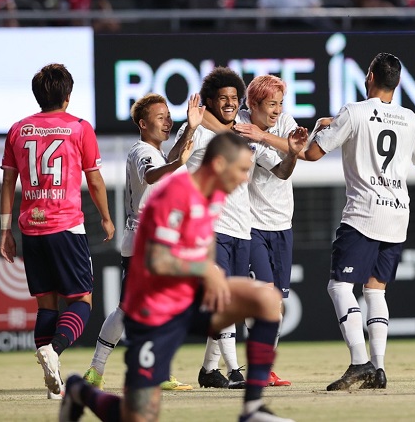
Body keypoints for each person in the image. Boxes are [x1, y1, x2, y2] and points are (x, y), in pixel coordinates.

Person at [60, 132, 296, 422]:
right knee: (137, 416)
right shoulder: (174, 194)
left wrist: (209, 272)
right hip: (152, 313)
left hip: (189, 301)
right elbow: (155, 260)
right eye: (243, 170)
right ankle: (78, 391)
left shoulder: (215, 195)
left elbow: (203, 240)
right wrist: (204, 270)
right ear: (220, 163)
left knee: (266, 300)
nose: (246, 179)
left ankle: (253, 410)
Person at [304, 52, 415, 390]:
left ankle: (359, 363)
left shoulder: (354, 112)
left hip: (364, 213)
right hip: (398, 214)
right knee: (375, 291)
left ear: (371, 77)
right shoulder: (410, 118)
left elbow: (311, 154)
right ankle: (378, 369)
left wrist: (328, 127)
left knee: (339, 286)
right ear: (398, 82)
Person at [169, 67, 307, 389]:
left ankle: (209, 369)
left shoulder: (241, 136)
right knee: (227, 299)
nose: (230, 103)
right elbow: (176, 159)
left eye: (233, 97)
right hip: (214, 228)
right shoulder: (208, 129)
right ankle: (235, 372)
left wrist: (293, 151)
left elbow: (281, 168)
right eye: (223, 98)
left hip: (243, 230)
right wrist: (190, 127)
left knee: (232, 302)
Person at [0, 63, 115, 399]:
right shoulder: (79, 128)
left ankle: (54, 385)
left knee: (46, 306)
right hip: (66, 226)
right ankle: (54, 351)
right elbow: (93, 179)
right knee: (82, 301)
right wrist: (106, 217)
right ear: (67, 95)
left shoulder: (18, 129)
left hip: (31, 230)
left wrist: (5, 230)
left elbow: (9, 182)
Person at [83, 93, 201, 392]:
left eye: (167, 116)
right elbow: (151, 175)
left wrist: (190, 127)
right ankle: (154, 371)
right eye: (160, 117)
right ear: (142, 123)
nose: (167, 121)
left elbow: (172, 156)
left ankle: (98, 369)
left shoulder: (154, 151)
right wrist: (177, 163)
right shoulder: (142, 152)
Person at [232, 75, 302, 387]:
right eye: (271, 104)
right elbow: (278, 168)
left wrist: (289, 150)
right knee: (265, 298)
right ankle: (254, 369)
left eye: (280, 103)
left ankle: (260, 369)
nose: (277, 110)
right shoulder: (240, 123)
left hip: (283, 224)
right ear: (254, 105)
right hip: (251, 225)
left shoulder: (285, 120)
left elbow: (287, 169)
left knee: (277, 303)